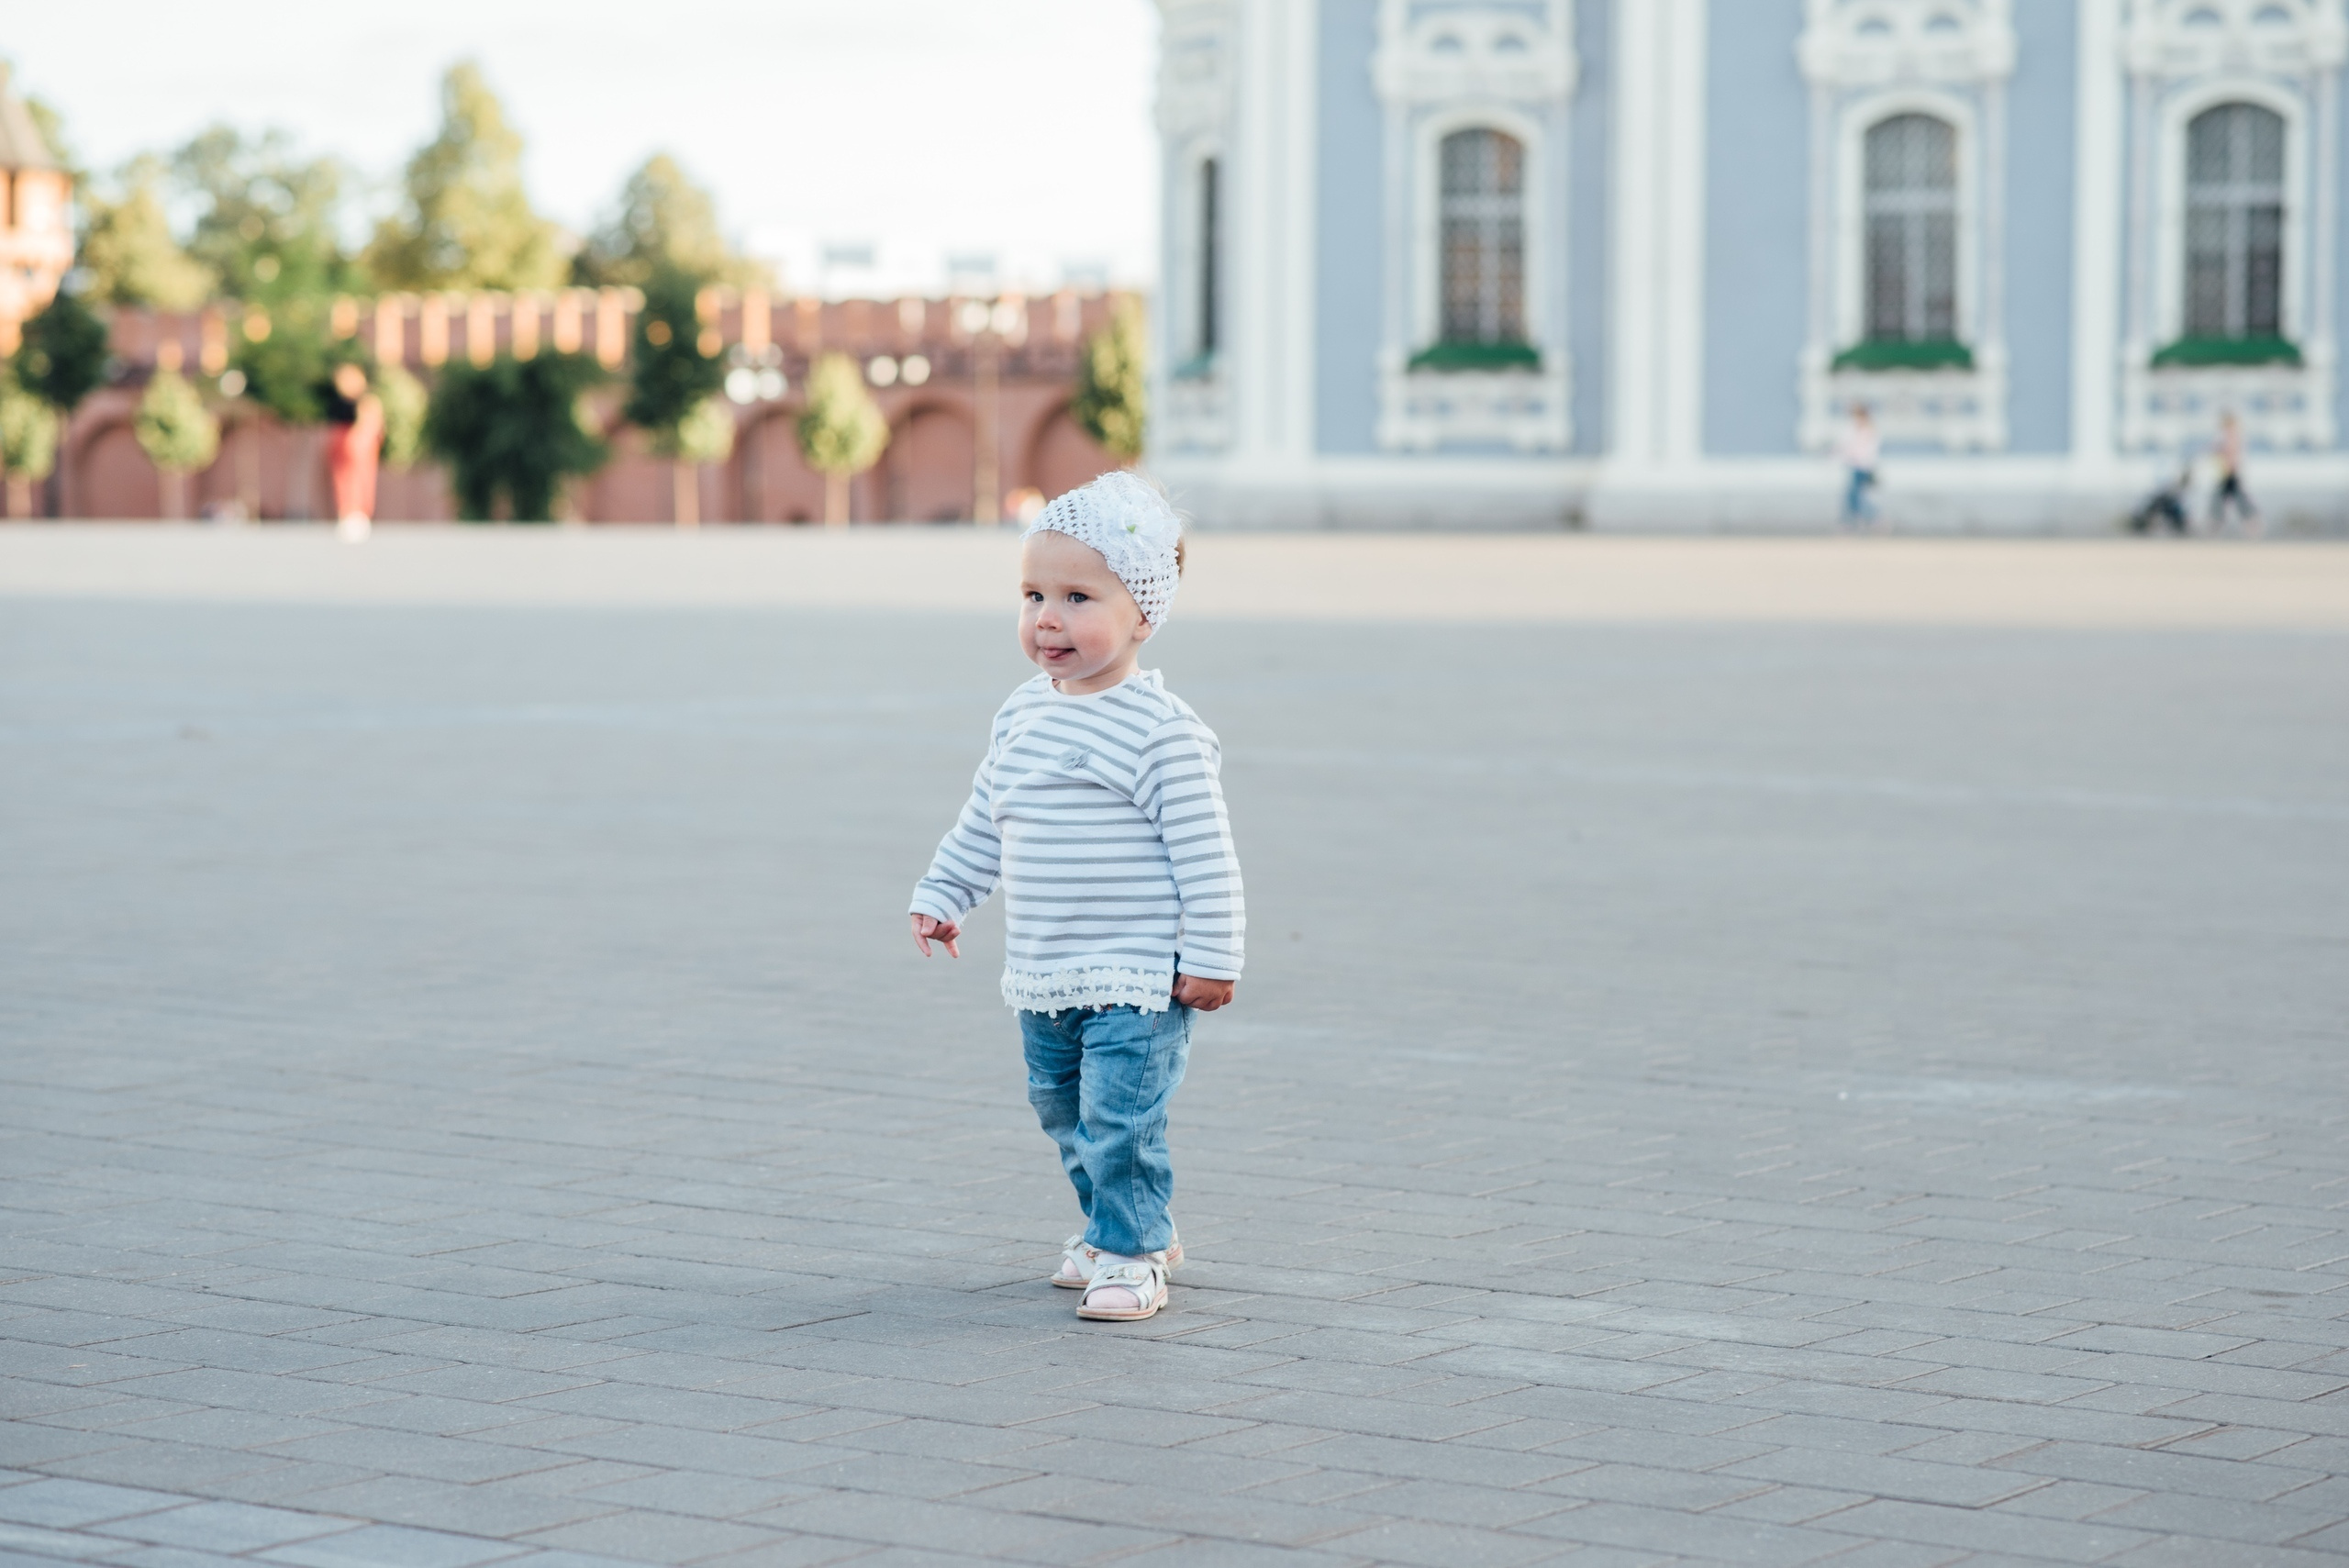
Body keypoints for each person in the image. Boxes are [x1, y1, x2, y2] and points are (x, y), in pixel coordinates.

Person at [908, 472, 1244, 1324]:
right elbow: (988, 815)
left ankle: (1131, 1253)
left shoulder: (1161, 730)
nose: (1046, 617)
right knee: (1061, 1106)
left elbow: (1206, 855)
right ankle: (1125, 1221)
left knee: (1117, 1116)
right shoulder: (1023, 714)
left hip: (1139, 975)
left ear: (1143, 614)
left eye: (1077, 596)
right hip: (1046, 970)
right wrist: (945, 889)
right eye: (1031, 594)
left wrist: (1212, 958)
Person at [323, 362, 384, 540]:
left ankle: (359, 514)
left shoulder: (366, 400)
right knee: (342, 479)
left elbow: (371, 423)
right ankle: (346, 513)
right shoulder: (337, 403)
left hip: (358, 443)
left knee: (359, 479)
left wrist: (358, 439)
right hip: (341, 442)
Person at [2210, 411, 2261, 537]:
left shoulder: (2231, 436)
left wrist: (2228, 467)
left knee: (2230, 499)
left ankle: (2217, 524)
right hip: (2226, 472)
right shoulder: (2229, 436)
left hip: (2229, 473)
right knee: (2230, 498)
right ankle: (2250, 522)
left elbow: (2230, 454)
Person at [1836, 403, 1881, 530]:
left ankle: (1873, 518)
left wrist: (1857, 456)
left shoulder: (1869, 431)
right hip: (1854, 466)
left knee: (1858, 496)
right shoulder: (1852, 430)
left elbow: (1869, 451)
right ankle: (1854, 521)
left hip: (1865, 467)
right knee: (1852, 496)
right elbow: (1844, 446)